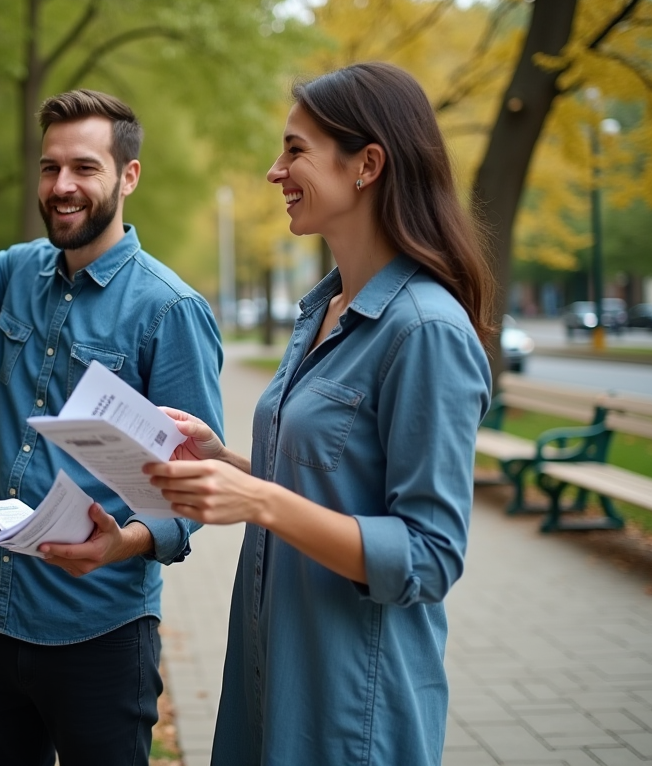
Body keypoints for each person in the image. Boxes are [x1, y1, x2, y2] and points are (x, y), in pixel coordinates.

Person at [144, 62, 494, 765]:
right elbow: (335, 476)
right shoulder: (324, 311)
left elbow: (428, 556)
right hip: (269, 674)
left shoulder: (425, 330)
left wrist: (261, 500)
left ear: (367, 165)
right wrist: (226, 463)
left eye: (295, 150)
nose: (276, 172)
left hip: (348, 710)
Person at [0, 54, 224, 766]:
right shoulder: (23, 271)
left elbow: (197, 488)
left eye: (84, 168)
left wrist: (127, 541)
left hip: (99, 631)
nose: (62, 186)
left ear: (128, 177)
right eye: (51, 169)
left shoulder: (169, 311)